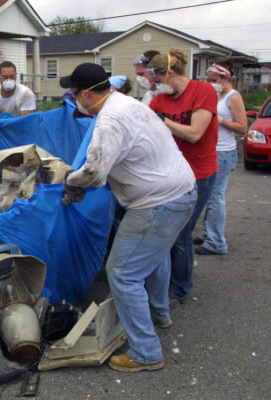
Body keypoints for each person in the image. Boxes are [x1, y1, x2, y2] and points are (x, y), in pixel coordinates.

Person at [60, 63, 196, 373]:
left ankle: (146, 353)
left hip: (158, 202)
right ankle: (160, 314)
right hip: (181, 191)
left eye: (75, 93)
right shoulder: (126, 102)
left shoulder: (109, 120)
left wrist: (71, 181)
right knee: (153, 256)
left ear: (87, 93)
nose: (74, 98)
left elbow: (93, 173)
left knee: (122, 272)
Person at [148, 48, 218, 303]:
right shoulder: (160, 100)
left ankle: (180, 288)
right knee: (169, 231)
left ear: (168, 74)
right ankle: (167, 283)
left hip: (200, 173)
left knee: (181, 231)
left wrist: (162, 120)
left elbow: (195, 133)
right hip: (172, 174)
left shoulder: (203, 91)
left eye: (157, 81)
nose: (155, 87)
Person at [194, 63, 247, 255]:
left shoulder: (234, 97)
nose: (211, 83)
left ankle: (216, 242)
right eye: (209, 80)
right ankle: (208, 234)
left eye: (214, 80)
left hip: (224, 152)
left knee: (215, 197)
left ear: (226, 78)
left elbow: (242, 127)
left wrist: (221, 120)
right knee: (208, 196)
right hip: (212, 149)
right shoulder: (217, 95)